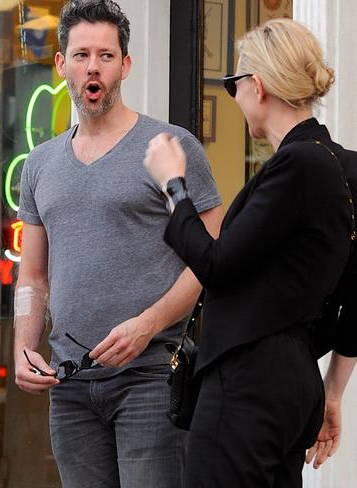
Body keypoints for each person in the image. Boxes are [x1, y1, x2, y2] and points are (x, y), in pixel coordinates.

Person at [14, 1, 223, 486]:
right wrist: (26, 347)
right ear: (61, 63)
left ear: (125, 65)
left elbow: (209, 257)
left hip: (151, 376)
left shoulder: (170, 146)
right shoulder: (40, 164)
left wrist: (148, 325)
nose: (94, 66)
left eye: (106, 56)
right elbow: (33, 274)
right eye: (82, 54)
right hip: (69, 384)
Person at [144, 18, 357, 488]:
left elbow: (217, 266)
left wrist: (173, 187)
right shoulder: (342, 167)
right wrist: (332, 391)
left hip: (248, 383)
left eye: (232, 85)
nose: (235, 99)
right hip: (292, 381)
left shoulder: (297, 165)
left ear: (256, 85)